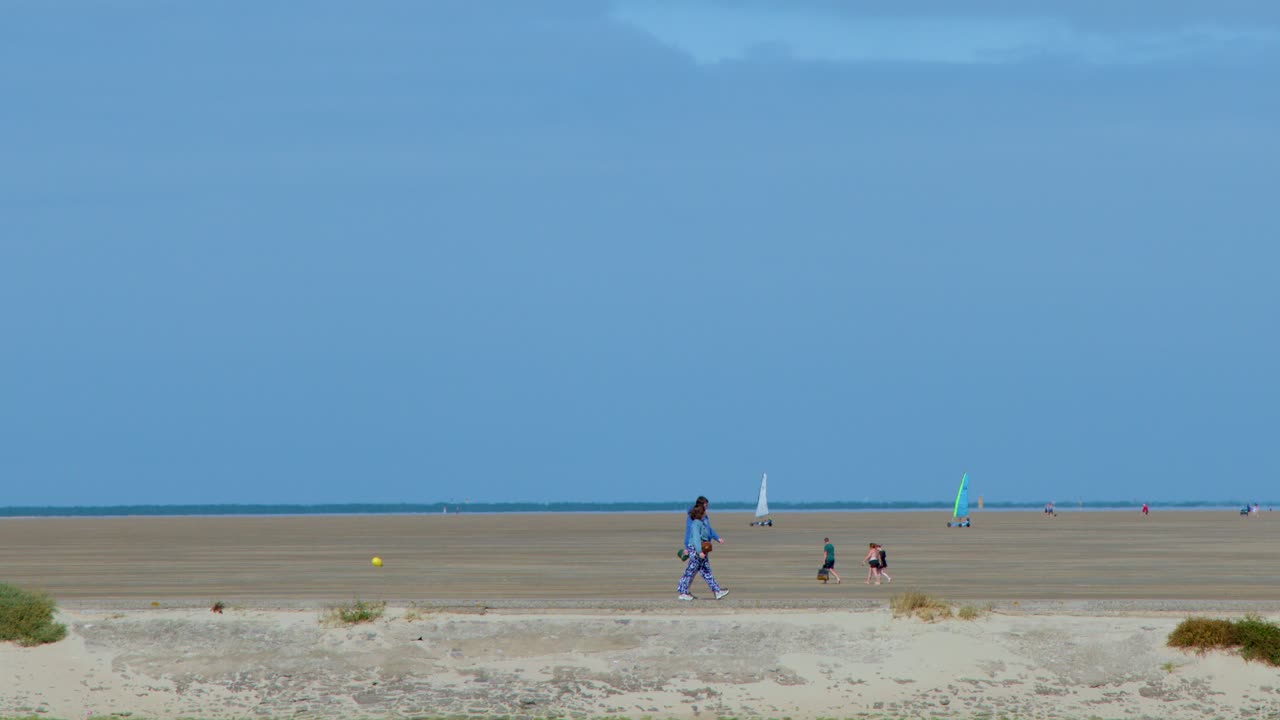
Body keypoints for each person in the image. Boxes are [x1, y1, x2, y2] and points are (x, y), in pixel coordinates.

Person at [677, 504, 729, 601]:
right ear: (700, 514)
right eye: (704, 512)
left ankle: (717, 591)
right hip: (696, 550)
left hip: (701, 550)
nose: (706, 513)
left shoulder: (700, 523)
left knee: (706, 571)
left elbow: (708, 533)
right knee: (690, 571)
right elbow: (696, 539)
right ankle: (682, 592)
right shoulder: (696, 524)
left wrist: (716, 539)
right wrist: (699, 552)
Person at [678, 495, 724, 560]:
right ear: (700, 506)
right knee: (695, 566)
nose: (706, 508)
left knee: (701, 567)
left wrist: (717, 538)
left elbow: (708, 529)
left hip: (705, 545)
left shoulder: (704, 516)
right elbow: (689, 532)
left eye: (707, 506)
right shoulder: (693, 517)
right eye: (705, 506)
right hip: (696, 546)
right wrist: (687, 547)